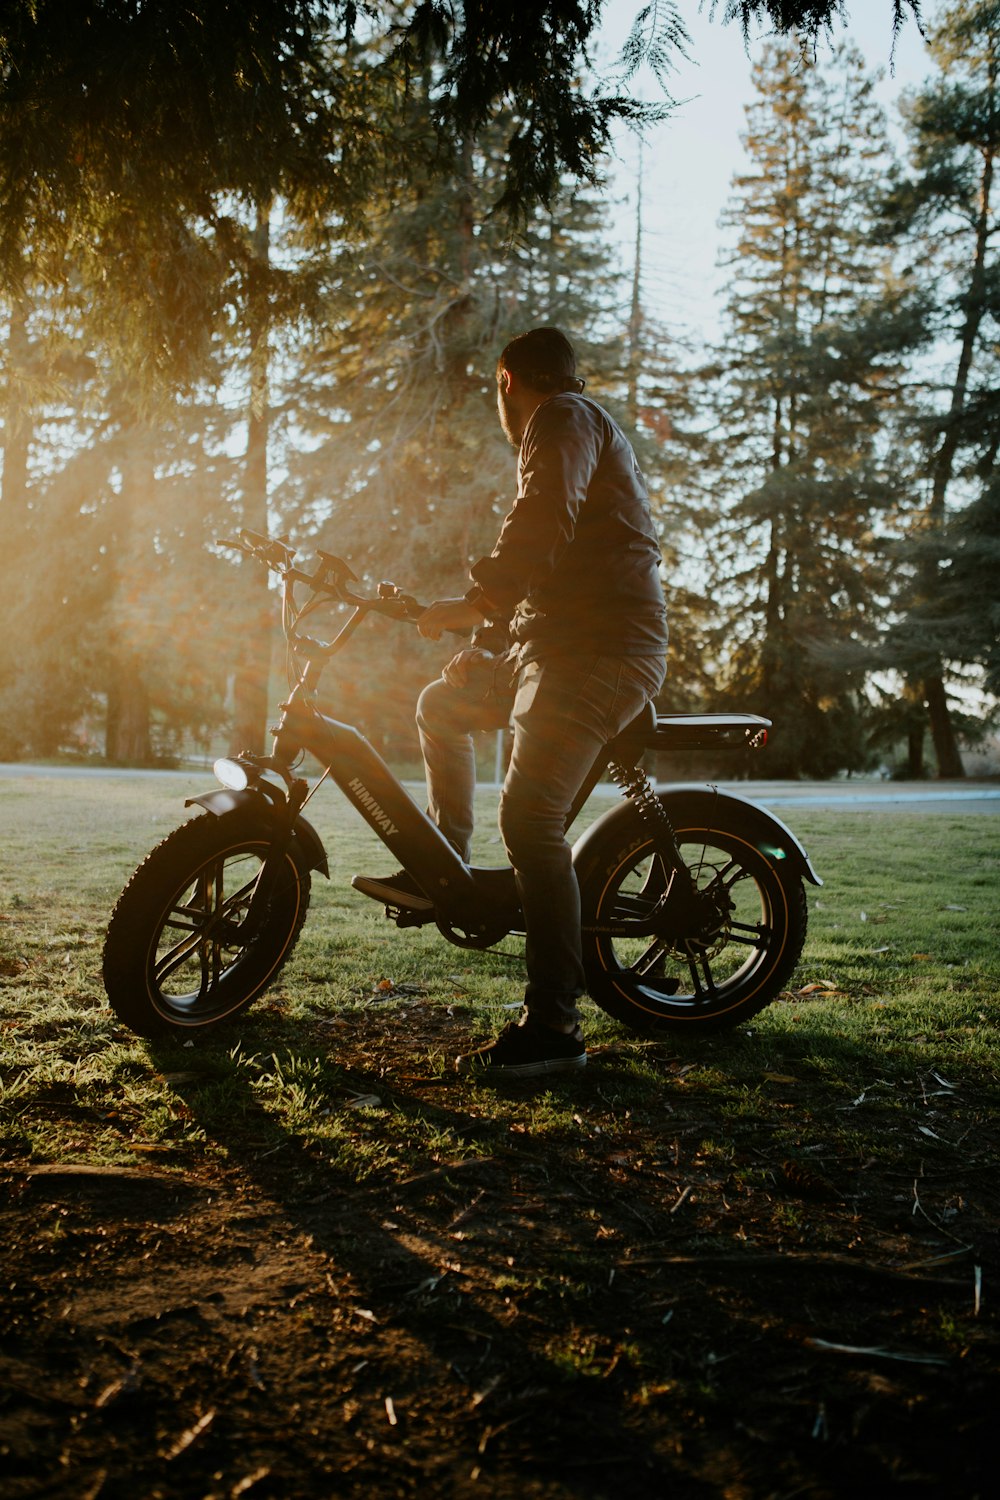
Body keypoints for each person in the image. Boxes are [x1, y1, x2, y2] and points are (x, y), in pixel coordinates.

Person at [355, 327, 668, 1078]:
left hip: (604, 653)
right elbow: (558, 567)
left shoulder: (562, 419)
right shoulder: (572, 428)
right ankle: (448, 865)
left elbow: (542, 524)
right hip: (563, 648)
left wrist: (478, 600)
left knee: (530, 819)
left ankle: (554, 1028)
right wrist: (494, 640)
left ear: (507, 382)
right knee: (442, 704)